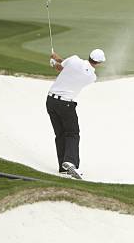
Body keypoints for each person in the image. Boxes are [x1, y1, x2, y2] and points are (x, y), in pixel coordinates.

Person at [46, 49, 106, 179]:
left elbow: (60, 67)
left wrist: (54, 61)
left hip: (50, 100)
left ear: (89, 55)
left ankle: (63, 167)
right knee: (73, 133)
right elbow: (71, 69)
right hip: (66, 104)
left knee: (60, 134)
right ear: (99, 63)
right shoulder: (91, 77)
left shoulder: (73, 59)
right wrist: (58, 60)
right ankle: (70, 162)